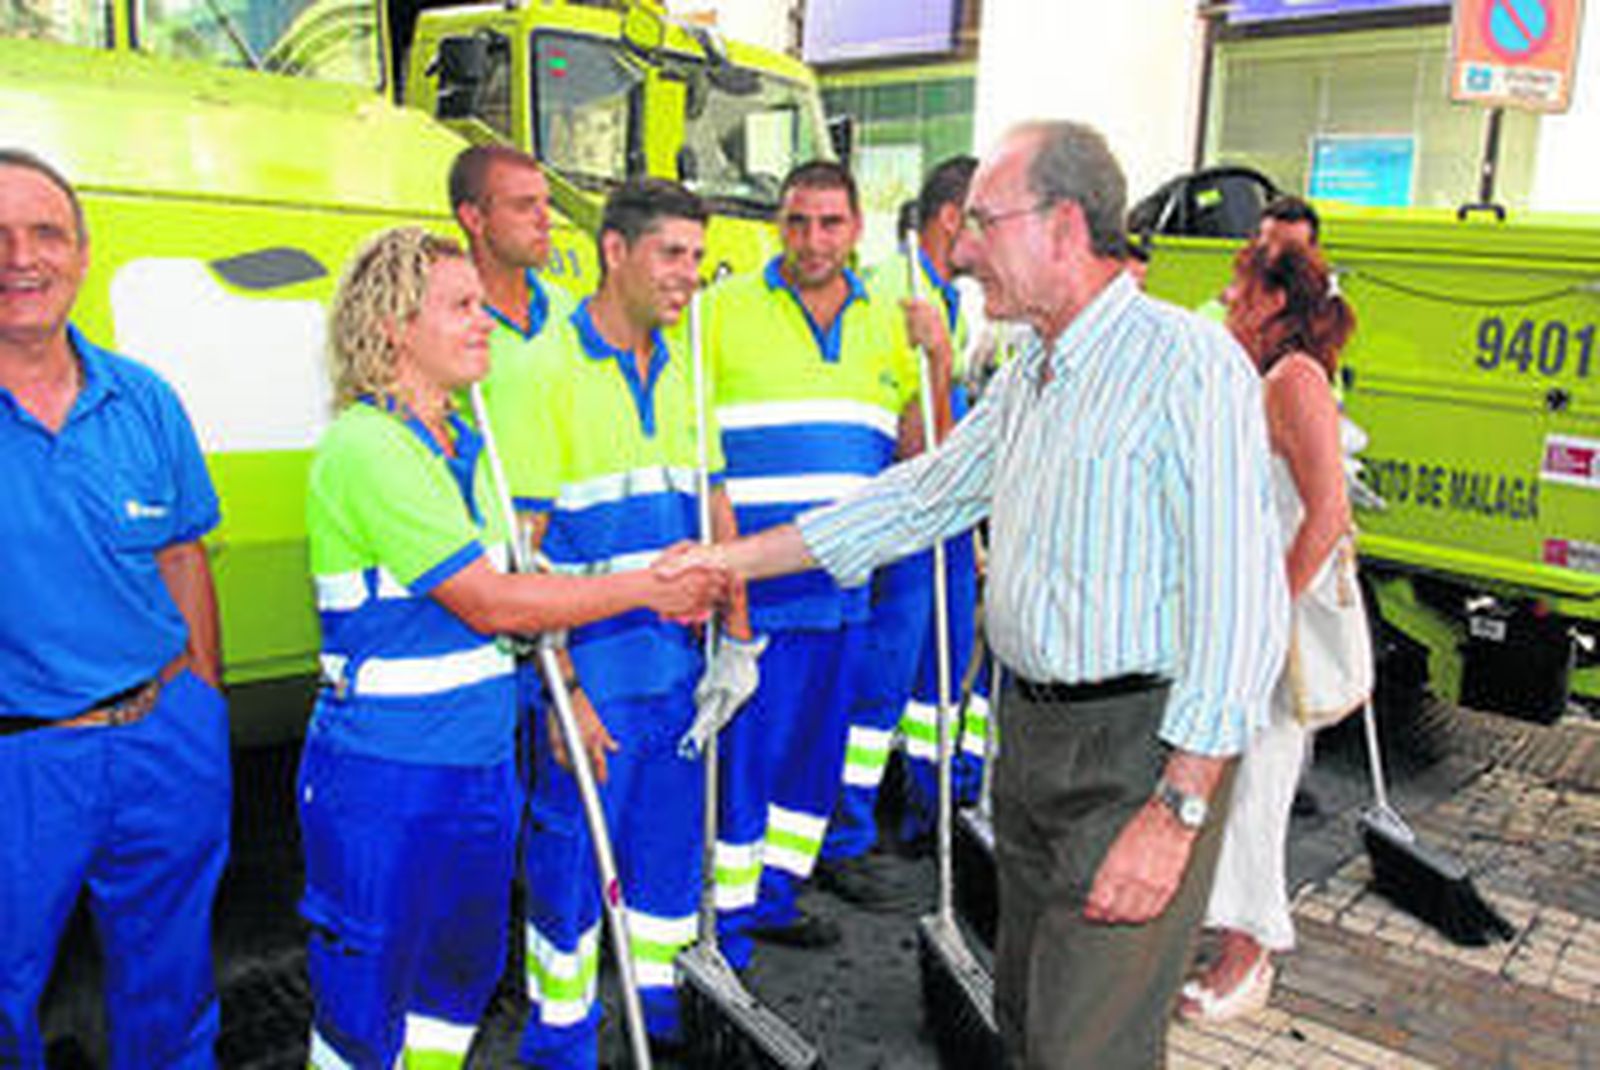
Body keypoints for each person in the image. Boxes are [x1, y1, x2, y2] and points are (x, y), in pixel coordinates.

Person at [660, 120, 1288, 1067]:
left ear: (1064, 226)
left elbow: (1246, 608)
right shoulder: (1032, 372)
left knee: (1088, 1047)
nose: (959, 250)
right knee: (1030, 1025)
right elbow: (920, 497)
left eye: (984, 223)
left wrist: (1178, 812)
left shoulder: (1188, 368)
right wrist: (729, 563)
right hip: (1033, 743)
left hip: (1137, 755)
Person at [300, 226, 725, 1068]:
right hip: (386, 776)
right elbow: (493, 602)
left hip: (477, 762)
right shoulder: (367, 448)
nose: (486, 320)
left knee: (456, 977)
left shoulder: (467, 446)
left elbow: (533, 581)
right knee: (365, 998)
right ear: (393, 326)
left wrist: (565, 689)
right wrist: (647, 587)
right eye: (460, 307)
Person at [482, 178, 757, 1067]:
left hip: (678, 674)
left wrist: (738, 644)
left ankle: (661, 1022)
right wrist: (563, 693)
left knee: (669, 869)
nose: (688, 276)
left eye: (696, 258)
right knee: (568, 879)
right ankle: (559, 1045)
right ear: (614, 251)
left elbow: (715, 509)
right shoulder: (538, 371)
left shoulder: (689, 366)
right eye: (670, 255)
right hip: (591, 681)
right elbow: (523, 556)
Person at [0, 148, 230, 1070]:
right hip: (19, 761)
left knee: (170, 992)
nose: (22, 256)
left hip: (156, 741)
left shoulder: (145, 400)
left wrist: (201, 706)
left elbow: (182, 555)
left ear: (83, 255)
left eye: (45, 232)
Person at [704, 160, 940, 961]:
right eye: (797, 222)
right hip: (755, 592)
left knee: (809, 764)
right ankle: (724, 924)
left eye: (829, 223)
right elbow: (692, 449)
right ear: (780, 223)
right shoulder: (721, 310)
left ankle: (772, 897)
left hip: (844, 590)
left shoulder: (894, 319)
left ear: (856, 229)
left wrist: (937, 356)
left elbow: (924, 455)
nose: (812, 240)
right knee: (744, 766)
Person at [1179, 241, 1356, 1023]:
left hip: (1271, 631)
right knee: (1237, 779)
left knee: (1256, 784)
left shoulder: (1295, 381)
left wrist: (1267, 608)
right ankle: (1230, 938)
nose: (1225, 294)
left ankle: (1249, 955)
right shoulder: (1268, 377)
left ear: (1275, 302)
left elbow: (1328, 514)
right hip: (1250, 618)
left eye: (1240, 286)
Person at [818, 155, 988, 885]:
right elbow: (910, 438)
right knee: (880, 683)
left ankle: (932, 805)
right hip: (908, 518)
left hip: (942, 519)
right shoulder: (896, 294)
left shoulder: (945, 297)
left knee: (937, 685)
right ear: (955, 218)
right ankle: (845, 830)